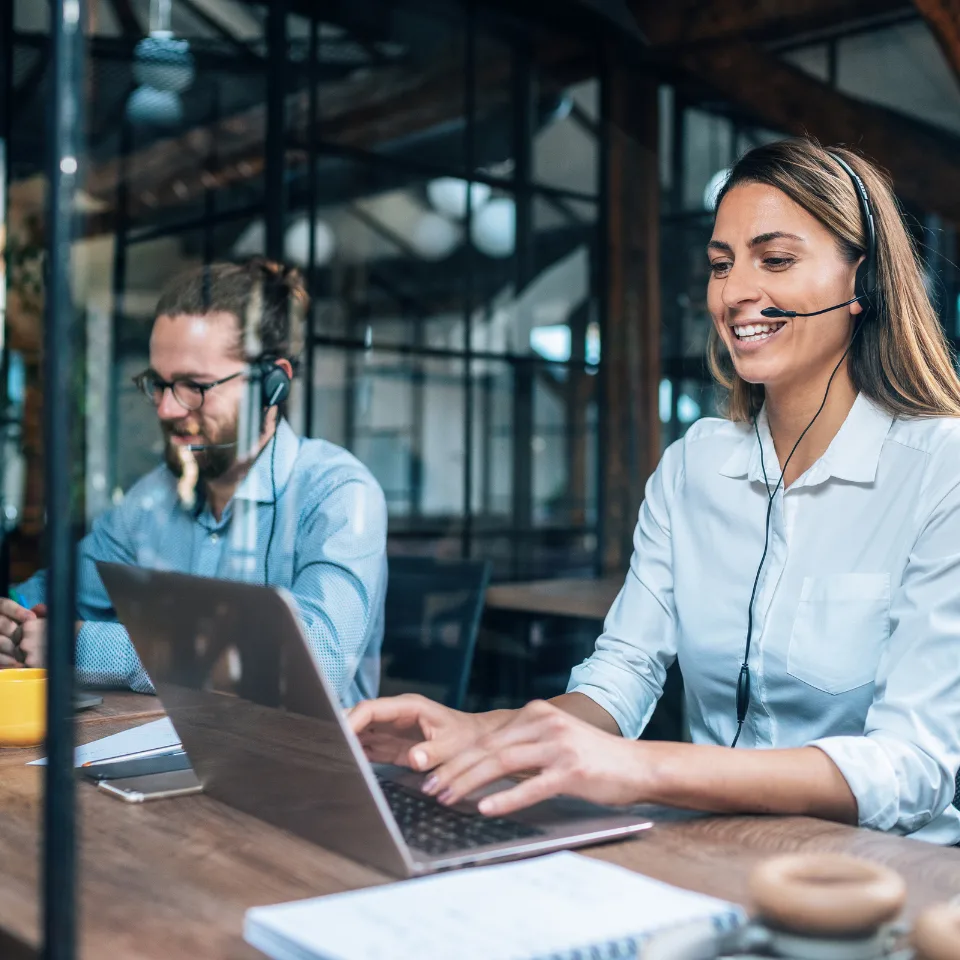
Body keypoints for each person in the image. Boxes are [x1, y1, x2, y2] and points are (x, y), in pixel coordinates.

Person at [350, 138, 960, 843]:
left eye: (777, 259)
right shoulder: (693, 467)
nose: (735, 293)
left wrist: (639, 770)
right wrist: (486, 734)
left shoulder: (939, 466)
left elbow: (912, 763)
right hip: (710, 848)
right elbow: (621, 675)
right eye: (721, 265)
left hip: (881, 878)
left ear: (866, 284)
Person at [0, 259, 388, 707]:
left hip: (304, 766)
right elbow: (48, 597)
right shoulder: (153, 498)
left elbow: (312, 663)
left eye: (194, 386)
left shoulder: (338, 494)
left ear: (272, 383)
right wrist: (12, 622)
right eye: (159, 384)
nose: (166, 409)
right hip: (172, 752)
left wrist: (87, 647)